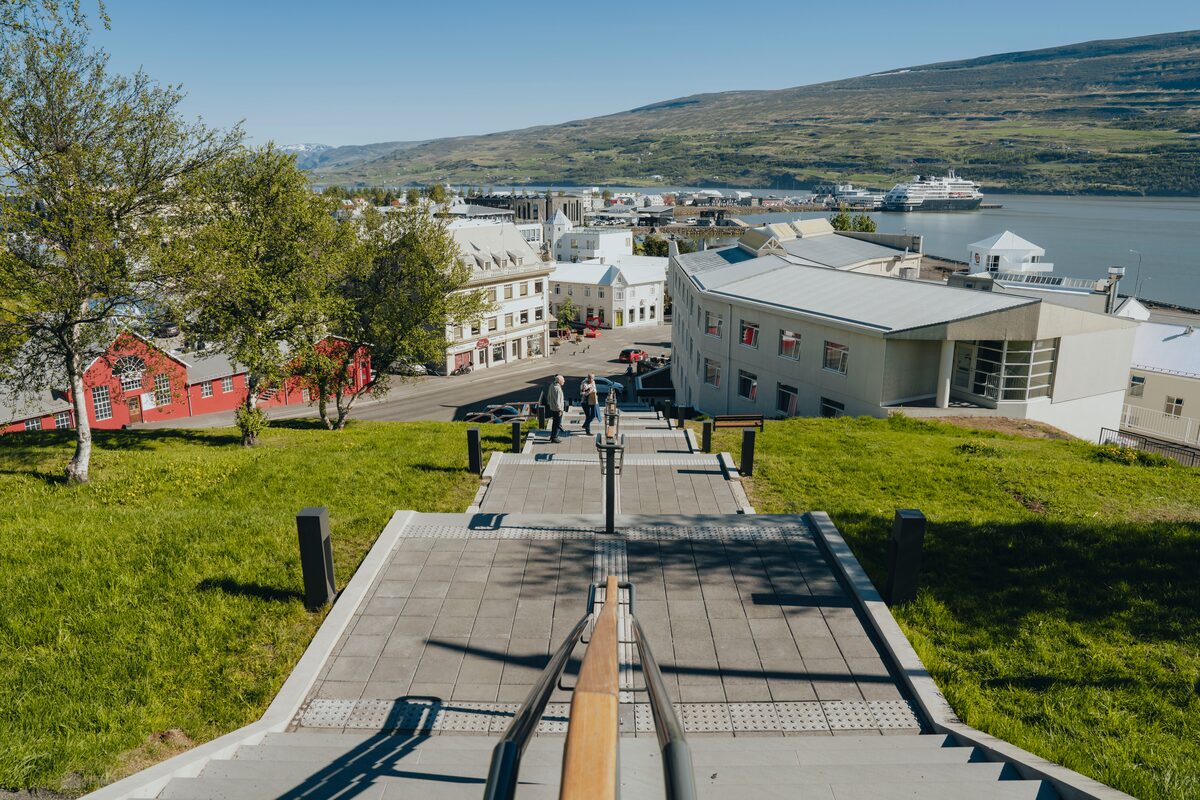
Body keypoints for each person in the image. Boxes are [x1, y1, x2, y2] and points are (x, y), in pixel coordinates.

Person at [547, 374, 566, 443]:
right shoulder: (557, 388)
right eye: (563, 380)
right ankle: (554, 437)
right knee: (557, 424)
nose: (564, 381)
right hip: (557, 409)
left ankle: (552, 436)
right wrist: (560, 410)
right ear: (559, 381)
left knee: (555, 423)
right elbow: (558, 401)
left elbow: (548, 396)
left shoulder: (552, 385)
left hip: (552, 408)